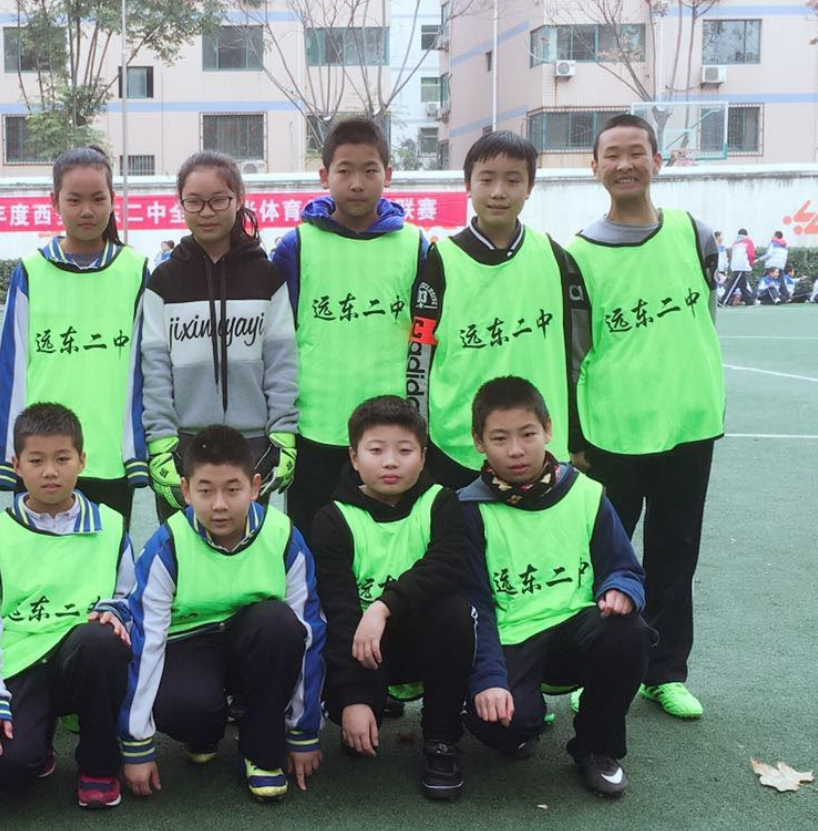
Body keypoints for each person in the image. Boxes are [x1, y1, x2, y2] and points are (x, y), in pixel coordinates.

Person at [565, 114, 723, 719]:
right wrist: (576, 435)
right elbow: (575, 350)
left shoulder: (693, 233)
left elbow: (706, 320)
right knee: (601, 556)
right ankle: (590, 666)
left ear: (658, 161)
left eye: (637, 152)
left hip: (688, 424)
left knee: (675, 553)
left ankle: (665, 672)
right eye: (612, 154)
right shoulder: (578, 253)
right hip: (612, 429)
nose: (625, 164)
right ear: (595, 167)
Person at [459, 377, 650, 797]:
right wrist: (488, 677)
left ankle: (597, 748)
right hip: (508, 640)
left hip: (574, 632)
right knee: (503, 726)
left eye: (527, 434)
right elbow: (473, 604)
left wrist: (620, 589)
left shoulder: (586, 494)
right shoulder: (466, 508)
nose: (515, 450)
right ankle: (517, 714)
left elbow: (624, 567)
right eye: (499, 438)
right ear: (478, 441)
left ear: (547, 429)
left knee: (628, 631)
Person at [120, 425, 326, 803]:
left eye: (232, 490)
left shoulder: (283, 536)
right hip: (190, 645)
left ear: (255, 486)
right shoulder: (168, 544)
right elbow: (145, 641)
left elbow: (309, 632)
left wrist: (303, 732)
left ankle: (261, 749)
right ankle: (204, 730)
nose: (219, 505)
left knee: (280, 626)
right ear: (185, 491)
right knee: (186, 707)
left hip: (255, 643)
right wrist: (137, 746)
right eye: (206, 491)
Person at [0, 403, 135, 810]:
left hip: (83, 659)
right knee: (6, 769)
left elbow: (132, 598)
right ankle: (37, 741)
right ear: (17, 466)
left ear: (82, 460)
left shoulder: (110, 525)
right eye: (36, 461)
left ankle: (98, 766)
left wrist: (117, 612)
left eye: (62, 459)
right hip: (21, 666)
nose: (50, 471)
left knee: (101, 639)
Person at [270, 116, 427, 545]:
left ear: (388, 174)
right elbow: (277, 341)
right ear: (324, 176)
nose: (357, 183)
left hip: (392, 430)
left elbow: (426, 340)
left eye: (369, 170)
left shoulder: (415, 245)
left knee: (392, 546)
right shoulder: (295, 247)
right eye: (344, 170)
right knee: (315, 544)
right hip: (316, 428)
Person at [310, 396, 473, 800]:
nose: (390, 462)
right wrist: (354, 698)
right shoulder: (332, 519)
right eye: (376, 450)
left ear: (423, 456)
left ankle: (441, 740)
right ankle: (365, 707)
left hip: (423, 642)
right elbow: (340, 612)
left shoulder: (441, 501)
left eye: (404, 451)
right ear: (354, 457)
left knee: (454, 613)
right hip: (361, 650)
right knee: (340, 652)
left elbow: (448, 565)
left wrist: (382, 607)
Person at [410, 130, 584, 490]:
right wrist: (418, 431)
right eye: (487, 179)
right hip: (457, 443)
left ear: (530, 187)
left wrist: (577, 432)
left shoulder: (554, 256)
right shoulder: (442, 260)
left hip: (537, 443)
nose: (499, 192)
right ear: (468, 185)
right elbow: (420, 352)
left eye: (513, 180)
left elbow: (574, 352)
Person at [0, 147, 148, 522]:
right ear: (54, 201)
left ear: (113, 200)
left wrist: (135, 450)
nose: (87, 210)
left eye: (98, 199)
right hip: (41, 456)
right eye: (74, 200)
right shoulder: (31, 270)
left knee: (107, 554)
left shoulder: (134, 270)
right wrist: (5, 455)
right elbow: (11, 366)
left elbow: (144, 368)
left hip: (109, 457)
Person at [142, 151, 298, 521]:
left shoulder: (266, 277)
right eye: (194, 202)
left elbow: (281, 362)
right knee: (180, 549)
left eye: (218, 200)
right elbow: (155, 367)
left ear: (239, 199)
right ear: (181, 203)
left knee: (246, 546)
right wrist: (161, 440)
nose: (207, 212)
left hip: (253, 444)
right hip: (183, 444)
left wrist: (284, 431)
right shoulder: (164, 281)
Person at [725, 227, 756, 305]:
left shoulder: (735, 242)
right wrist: (751, 263)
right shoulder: (748, 241)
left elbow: (732, 254)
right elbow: (751, 255)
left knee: (743, 285)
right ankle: (724, 300)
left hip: (735, 265)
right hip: (742, 265)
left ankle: (749, 301)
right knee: (732, 284)